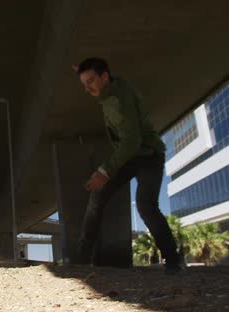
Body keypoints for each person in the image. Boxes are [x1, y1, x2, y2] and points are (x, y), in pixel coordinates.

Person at [74, 57, 183, 274]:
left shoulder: (118, 101)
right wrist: (86, 72)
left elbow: (132, 142)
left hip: (149, 155)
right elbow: (129, 144)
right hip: (130, 155)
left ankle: (173, 261)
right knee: (98, 196)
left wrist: (104, 171)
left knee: (146, 206)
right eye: (84, 83)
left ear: (105, 77)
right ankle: (82, 260)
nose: (88, 88)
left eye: (92, 81)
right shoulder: (112, 88)